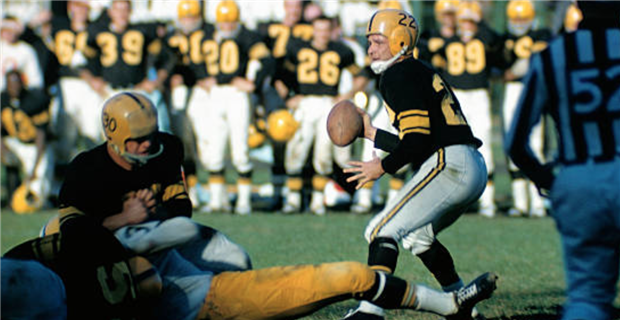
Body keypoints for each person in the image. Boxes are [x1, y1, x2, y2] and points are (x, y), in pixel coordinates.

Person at [4, 206, 498, 320]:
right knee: (351, 275)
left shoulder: (36, 255)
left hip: (207, 287)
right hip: (202, 306)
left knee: (353, 275)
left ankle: (449, 306)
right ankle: (449, 306)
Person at [342, 8, 491, 320]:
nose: (371, 48)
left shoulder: (397, 74)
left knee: (380, 231)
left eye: (378, 41)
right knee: (417, 236)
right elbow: (419, 140)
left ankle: (370, 311)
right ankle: (461, 302)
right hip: (469, 165)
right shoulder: (415, 70)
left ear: (399, 44)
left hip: (450, 163)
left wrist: (379, 167)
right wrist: (372, 134)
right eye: (369, 41)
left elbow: (417, 140)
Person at [505, 0, 620, 319]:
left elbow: (516, 143)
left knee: (587, 298)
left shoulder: (553, 54)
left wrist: (549, 183)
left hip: (578, 178)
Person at [53, 91, 252, 275]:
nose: (148, 143)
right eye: (139, 138)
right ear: (115, 136)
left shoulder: (167, 148)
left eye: (151, 134)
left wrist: (152, 211)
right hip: (102, 244)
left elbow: (182, 208)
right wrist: (125, 218)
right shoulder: (85, 168)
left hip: (156, 232)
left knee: (237, 259)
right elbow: (72, 232)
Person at [187, 0, 275, 215]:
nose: (226, 26)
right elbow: (194, 61)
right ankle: (218, 200)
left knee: (240, 150)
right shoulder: (207, 36)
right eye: (223, 22)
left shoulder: (247, 36)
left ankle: (243, 200)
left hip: (237, 95)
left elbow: (268, 60)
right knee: (215, 149)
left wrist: (252, 84)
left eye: (230, 22)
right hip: (215, 93)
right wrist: (202, 78)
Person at [282, 15, 365, 215]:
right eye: (318, 29)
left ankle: (317, 201)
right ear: (312, 30)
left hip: (328, 103)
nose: (322, 34)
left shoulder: (341, 51)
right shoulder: (298, 49)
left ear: (331, 30)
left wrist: (347, 95)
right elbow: (282, 74)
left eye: (326, 29)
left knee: (323, 152)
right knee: (297, 150)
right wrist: (288, 97)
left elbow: (362, 75)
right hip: (305, 102)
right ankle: (293, 199)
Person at [441, 1, 503, 217]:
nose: (466, 26)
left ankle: (488, 200)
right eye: (463, 21)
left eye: (470, 21)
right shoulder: (448, 41)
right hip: (457, 96)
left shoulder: (484, 39)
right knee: (454, 145)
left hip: (478, 95)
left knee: (483, 142)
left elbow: (496, 44)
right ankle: (456, 197)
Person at [81, 0, 173, 133]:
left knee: (156, 131)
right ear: (110, 12)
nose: (122, 14)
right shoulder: (97, 32)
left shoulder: (143, 31)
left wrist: (156, 81)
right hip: (109, 92)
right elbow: (81, 62)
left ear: (130, 11)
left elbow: (168, 57)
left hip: (137, 90)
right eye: (118, 9)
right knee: (95, 133)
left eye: (125, 9)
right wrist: (92, 80)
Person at [501, 0, 551, 217]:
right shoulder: (505, 39)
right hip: (512, 91)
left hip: (530, 88)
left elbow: (531, 61)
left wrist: (515, 69)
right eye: (516, 19)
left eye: (523, 18)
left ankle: (538, 202)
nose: (519, 23)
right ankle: (520, 202)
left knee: (536, 144)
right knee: (513, 143)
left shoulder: (541, 35)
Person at [164, 0, 215, 209]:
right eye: (185, 17)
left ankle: (212, 188)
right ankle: (190, 187)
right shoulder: (169, 37)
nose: (189, 22)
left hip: (204, 93)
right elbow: (162, 63)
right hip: (179, 93)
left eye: (192, 17)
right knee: (183, 142)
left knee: (206, 140)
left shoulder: (210, 34)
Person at [0, 70, 54, 213]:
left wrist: (34, 169)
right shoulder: (2, 99)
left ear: (22, 83)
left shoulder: (34, 100)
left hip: (35, 148)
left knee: (36, 196)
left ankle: (46, 197)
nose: (14, 87)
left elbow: (41, 137)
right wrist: (3, 151)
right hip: (15, 143)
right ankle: (9, 194)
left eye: (17, 83)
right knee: (6, 156)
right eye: (11, 84)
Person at [0, 15, 44, 92]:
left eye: (12, 30)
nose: (8, 34)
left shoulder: (26, 50)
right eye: (5, 30)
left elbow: (35, 80)